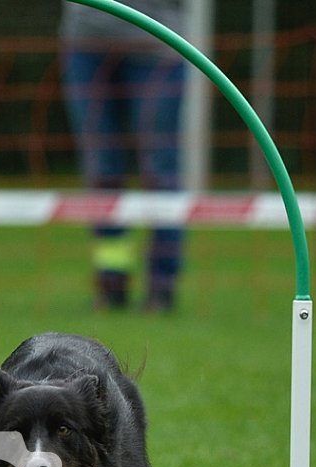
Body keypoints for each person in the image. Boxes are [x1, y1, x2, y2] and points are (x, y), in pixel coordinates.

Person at [59, 0, 187, 312]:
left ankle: (162, 288)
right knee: (102, 171)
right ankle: (111, 281)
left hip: (158, 42)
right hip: (86, 42)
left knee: (161, 171)